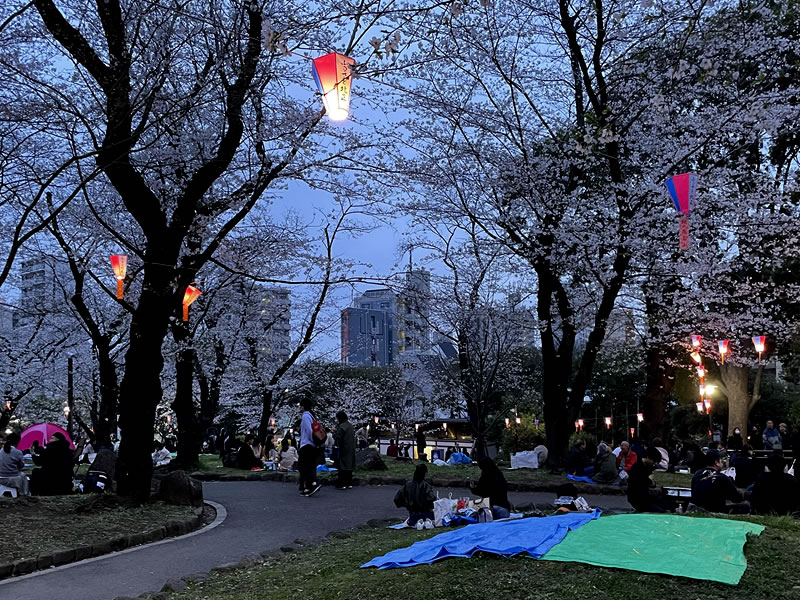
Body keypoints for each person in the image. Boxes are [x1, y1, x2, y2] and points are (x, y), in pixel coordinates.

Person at [627, 447, 673, 513]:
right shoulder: (636, 468)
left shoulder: (648, 467)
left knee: (667, 503)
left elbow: (651, 483)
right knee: (660, 510)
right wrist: (649, 480)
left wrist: (651, 482)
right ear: (648, 457)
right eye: (653, 461)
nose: (654, 463)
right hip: (638, 498)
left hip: (646, 495)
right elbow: (638, 484)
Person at [394, 464, 436, 529]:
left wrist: (407, 504)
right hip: (426, 515)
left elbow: (397, 498)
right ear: (424, 474)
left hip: (413, 515)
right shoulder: (426, 486)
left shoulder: (407, 485)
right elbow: (432, 498)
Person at [297, 398, 321, 497]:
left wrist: (313, 440)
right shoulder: (311, 415)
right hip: (310, 445)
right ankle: (307, 487)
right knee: (309, 466)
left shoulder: (306, 416)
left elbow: (309, 430)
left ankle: (313, 484)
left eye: (300, 405)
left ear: (303, 406)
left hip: (307, 445)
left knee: (304, 467)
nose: (298, 408)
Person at [334, 410, 356, 490]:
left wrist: (334, 433)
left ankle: (342, 484)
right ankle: (349, 483)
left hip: (344, 448)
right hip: (351, 448)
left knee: (343, 466)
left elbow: (338, 437)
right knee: (349, 466)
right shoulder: (350, 426)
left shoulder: (342, 426)